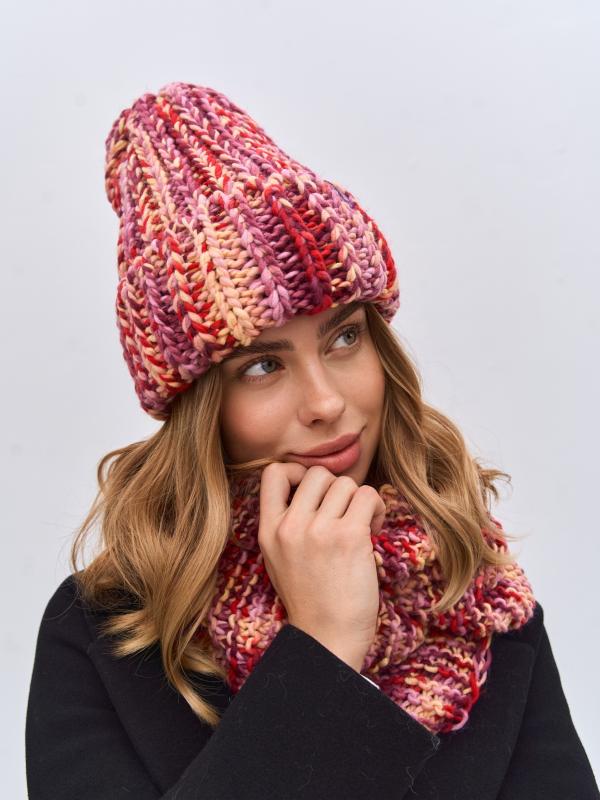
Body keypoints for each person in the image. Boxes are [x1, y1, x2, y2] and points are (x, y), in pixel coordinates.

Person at [25, 82, 599, 799]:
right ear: (199, 404)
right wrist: (323, 647)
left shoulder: (473, 592)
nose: (327, 403)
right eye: (261, 366)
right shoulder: (107, 634)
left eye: (344, 337)